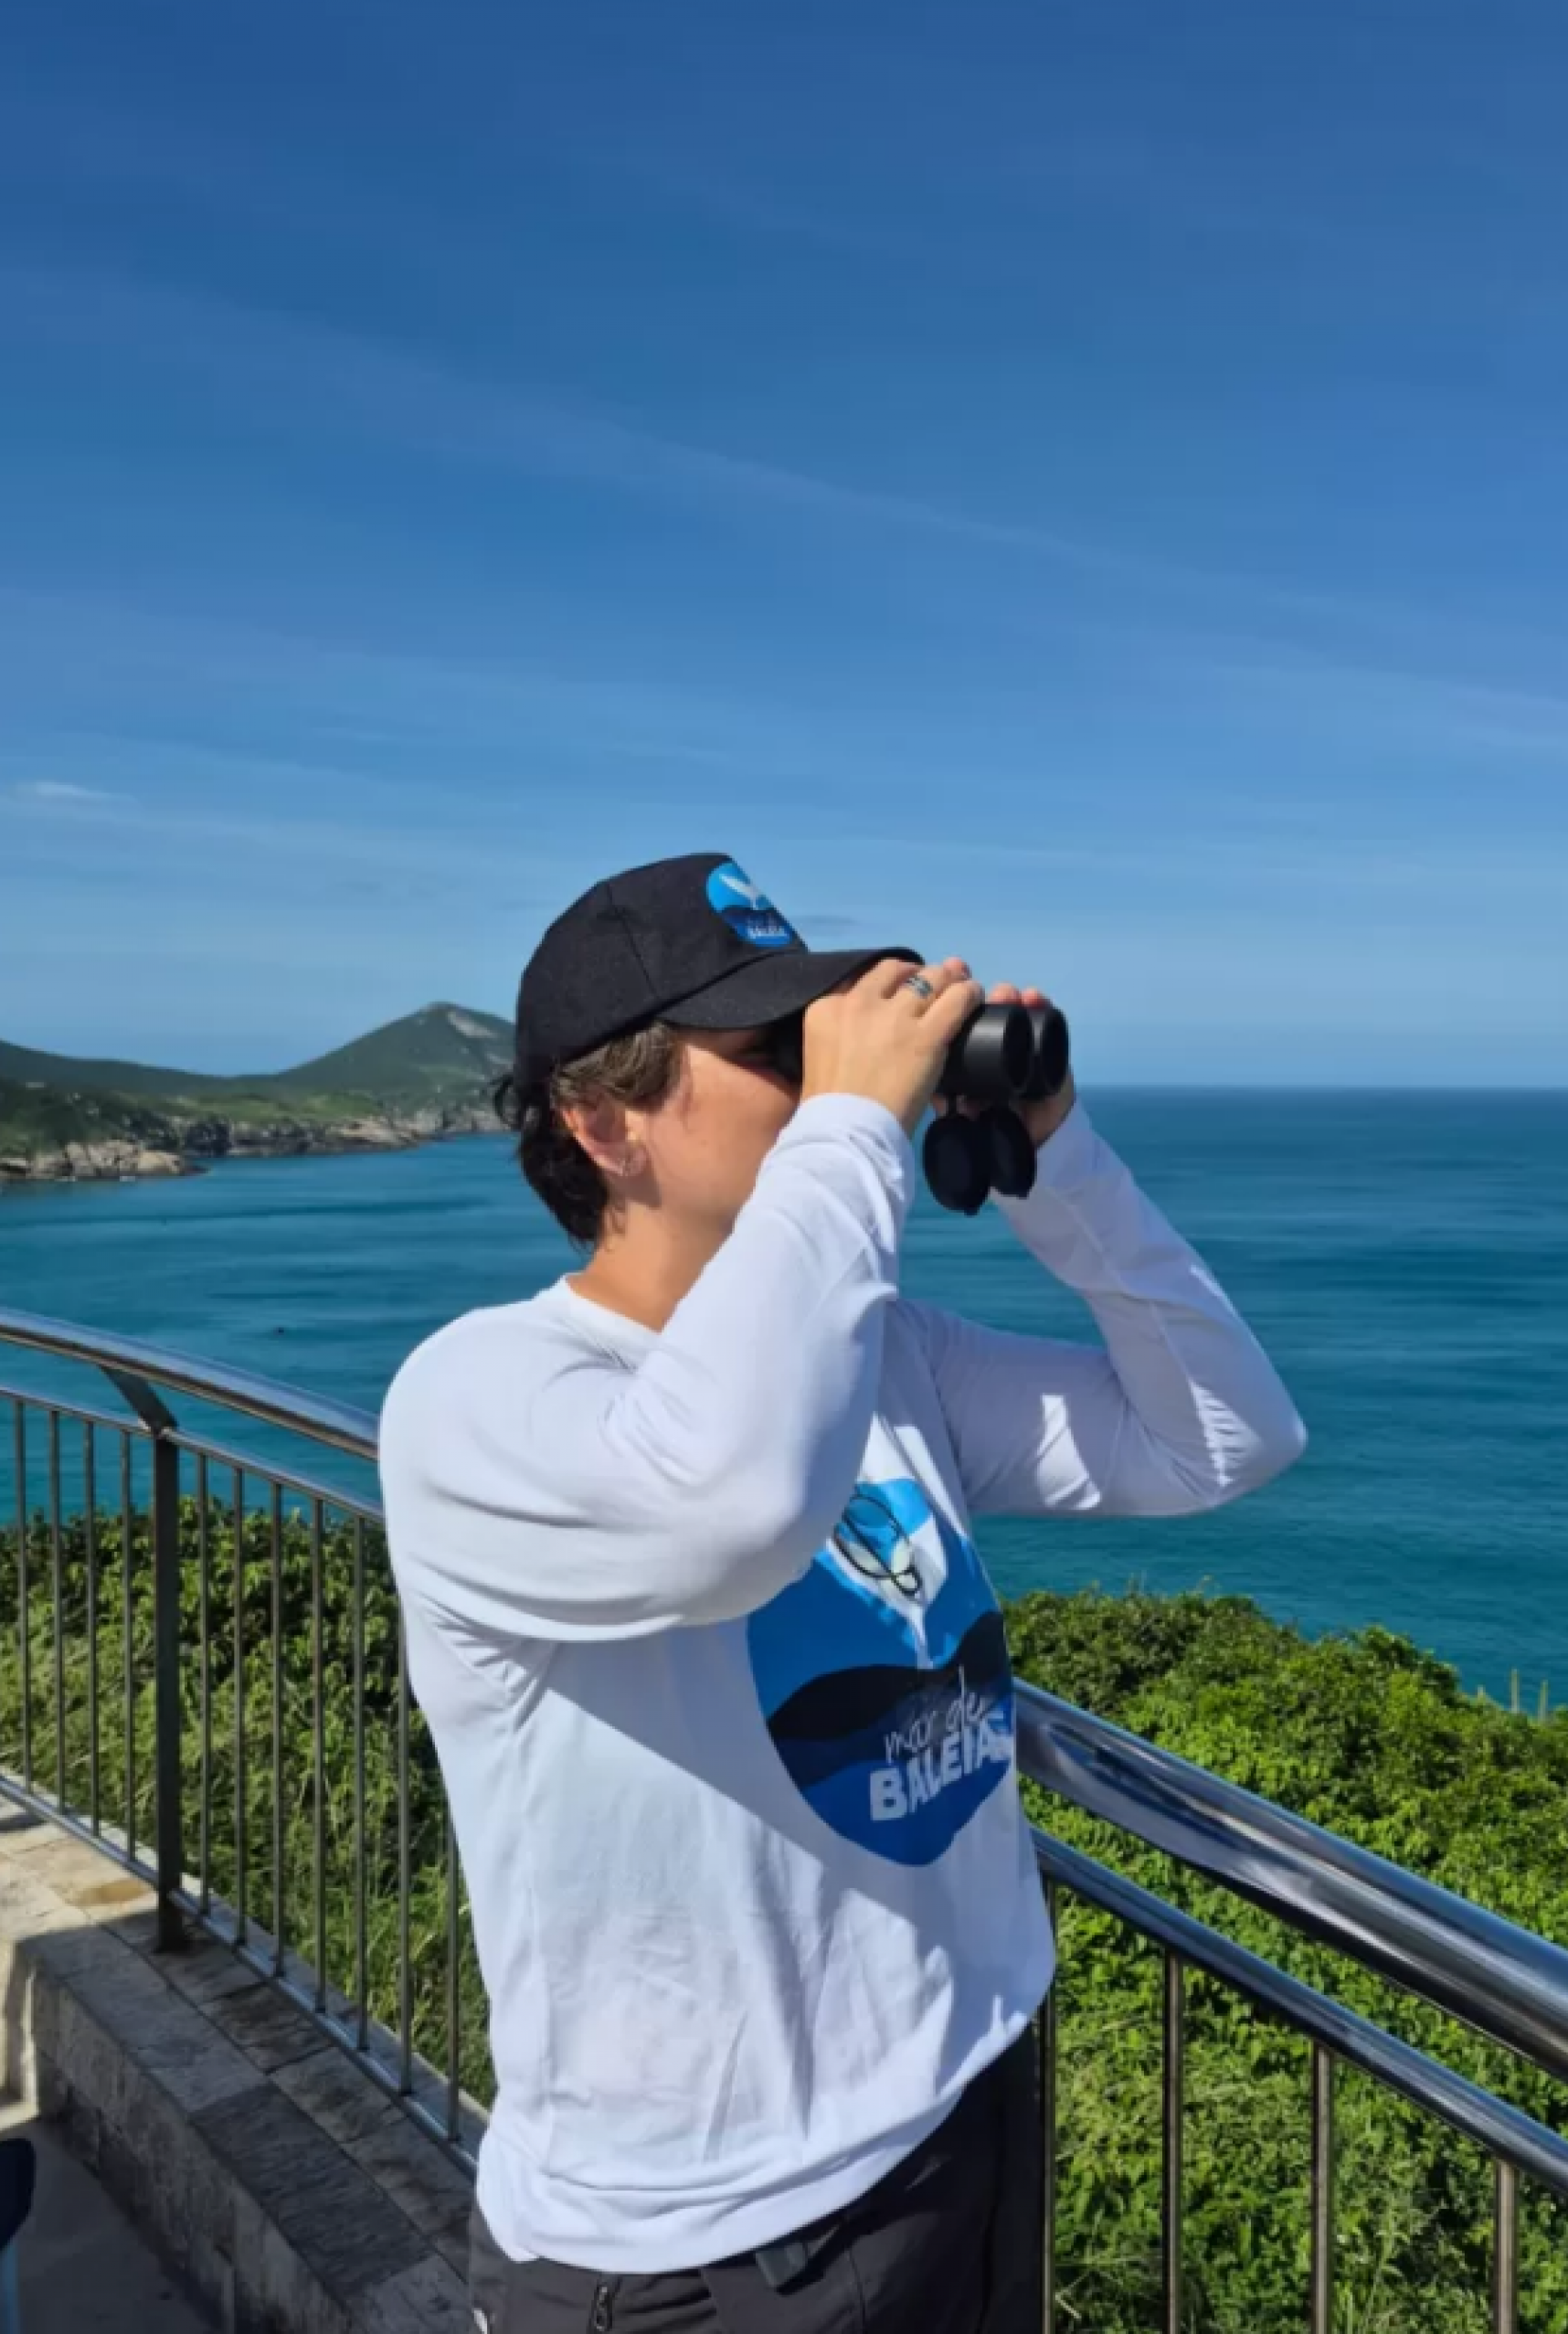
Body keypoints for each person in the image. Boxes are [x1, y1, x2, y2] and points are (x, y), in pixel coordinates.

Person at [379, 852, 1308, 2333]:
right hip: (713, 2246)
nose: (818, 1077)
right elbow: (731, 1505)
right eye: (770, 1053)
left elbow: (1224, 1437)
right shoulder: (479, 1400)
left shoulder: (890, 1357)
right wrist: (857, 1130)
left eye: (821, 1038)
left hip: (966, 2114)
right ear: (600, 1120)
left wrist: (1059, 1160)